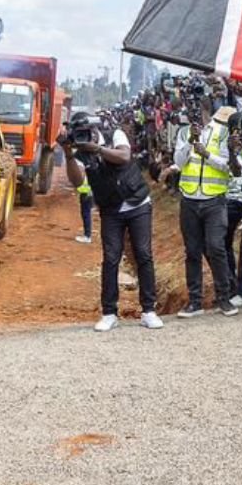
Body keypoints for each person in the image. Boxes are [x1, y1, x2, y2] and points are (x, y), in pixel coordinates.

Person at [83, 114, 164, 332]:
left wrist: (98, 149)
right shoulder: (80, 152)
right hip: (111, 209)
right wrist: (70, 155)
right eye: (80, 132)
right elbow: (75, 179)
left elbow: (124, 156)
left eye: (88, 130)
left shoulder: (114, 134)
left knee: (143, 253)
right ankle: (109, 313)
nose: (86, 135)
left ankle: (149, 310)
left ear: (95, 128)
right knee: (111, 258)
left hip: (137, 203)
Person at [170, 103, 242, 316]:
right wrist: (192, 142)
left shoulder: (225, 134)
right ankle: (195, 301)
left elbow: (232, 168)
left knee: (216, 247)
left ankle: (225, 296)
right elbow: (179, 162)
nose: (199, 117)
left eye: (201, 112)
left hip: (215, 199)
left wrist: (207, 155)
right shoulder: (185, 132)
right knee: (192, 251)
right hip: (189, 198)